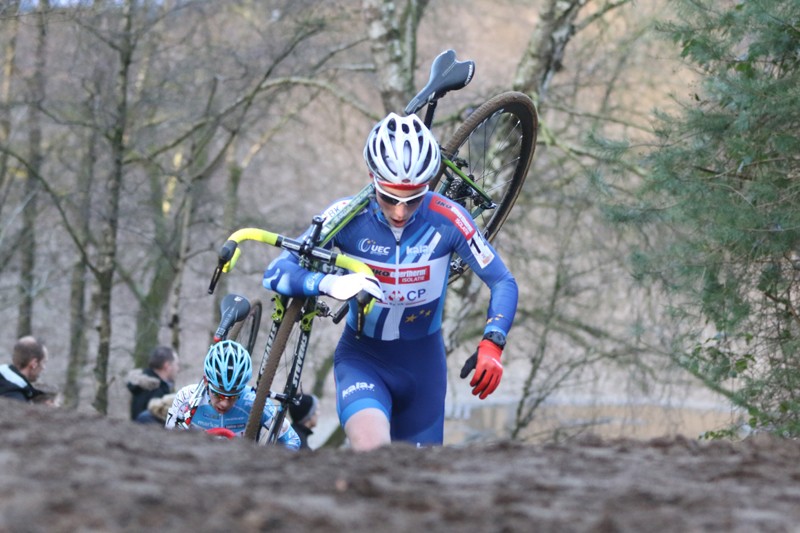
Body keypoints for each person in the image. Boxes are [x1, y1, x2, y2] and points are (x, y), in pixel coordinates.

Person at [263, 113, 518, 451]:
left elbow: (502, 281)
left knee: (416, 489)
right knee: (376, 456)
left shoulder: (448, 218)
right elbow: (277, 271)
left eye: (413, 199)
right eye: (389, 197)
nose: (400, 211)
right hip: (363, 360)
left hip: (423, 369)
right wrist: (325, 284)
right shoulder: (348, 216)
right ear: (372, 178)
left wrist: (493, 342)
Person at [164, 340, 300, 451]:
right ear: (206, 381)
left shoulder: (252, 400)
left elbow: (293, 440)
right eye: (218, 395)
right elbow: (167, 442)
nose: (224, 403)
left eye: (233, 396)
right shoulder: (186, 397)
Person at [126, 345, 179, 421]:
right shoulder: (155, 391)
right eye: (176, 364)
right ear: (167, 366)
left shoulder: (141, 386)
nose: (178, 369)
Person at [0, 336, 49, 403]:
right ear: (34, 363)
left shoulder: (5, 383)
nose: (44, 368)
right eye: (43, 362)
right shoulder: (16, 399)